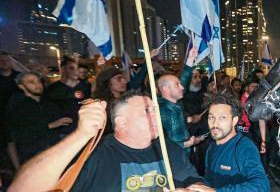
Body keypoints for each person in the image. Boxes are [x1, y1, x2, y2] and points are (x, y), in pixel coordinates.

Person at [8, 90, 204, 192]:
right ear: (122, 123)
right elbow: (21, 188)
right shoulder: (95, 153)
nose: (157, 114)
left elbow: (194, 181)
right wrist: (81, 135)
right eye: (147, 110)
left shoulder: (168, 148)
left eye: (155, 109)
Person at [186, 93, 269, 192]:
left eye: (222, 118)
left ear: (234, 121)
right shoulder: (211, 148)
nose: (215, 123)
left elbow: (262, 187)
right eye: (211, 117)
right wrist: (199, 186)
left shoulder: (244, 148)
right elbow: (210, 181)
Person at [5, 72, 71, 170]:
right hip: (33, 159)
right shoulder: (17, 107)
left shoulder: (48, 103)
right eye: (31, 82)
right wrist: (50, 126)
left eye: (39, 81)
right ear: (21, 86)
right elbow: (15, 136)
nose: (38, 85)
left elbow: (64, 120)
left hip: (55, 154)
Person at [157, 47, 204, 153]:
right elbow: (163, 143)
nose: (182, 87)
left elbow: (185, 79)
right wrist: (187, 143)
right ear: (166, 89)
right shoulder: (162, 110)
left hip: (185, 157)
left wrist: (190, 59)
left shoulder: (176, 103)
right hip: (174, 161)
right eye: (177, 85)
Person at [44, 56, 91, 137]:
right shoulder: (52, 89)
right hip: (64, 132)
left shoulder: (85, 86)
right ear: (63, 69)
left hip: (84, 129)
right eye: (71, 68)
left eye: (76, 68)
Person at [92, 67, 128, 134]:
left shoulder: (129, 99)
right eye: (119, 79)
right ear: (107, 81)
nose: (125, 81)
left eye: (123, 78)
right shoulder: (100, 104)